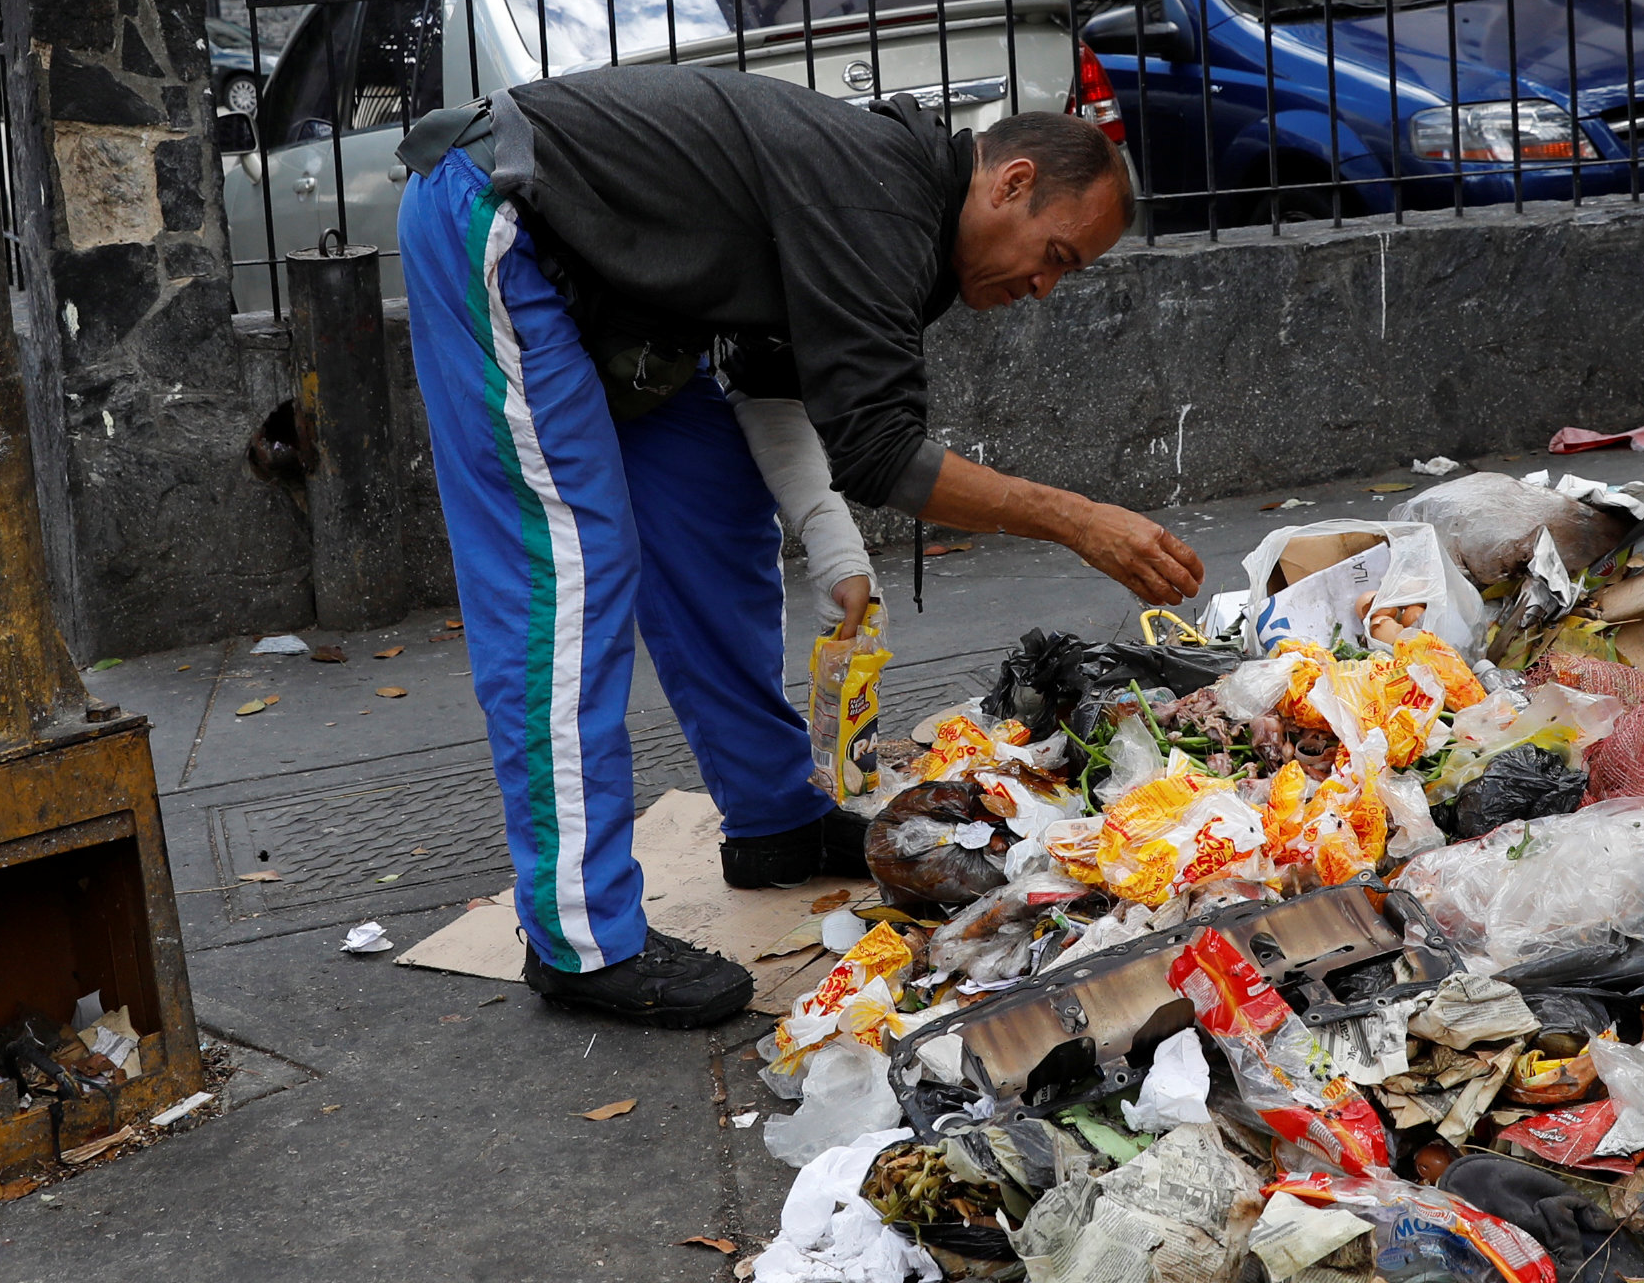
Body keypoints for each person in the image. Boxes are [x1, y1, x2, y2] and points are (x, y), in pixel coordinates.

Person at [396, 67, 1204, 1029]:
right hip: (501, 219)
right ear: (1011, 182)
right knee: (570, 573)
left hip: (616, 296)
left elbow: (777, 391)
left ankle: (773, 820)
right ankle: (579, 939)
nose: (1041, 288)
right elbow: (878, 451)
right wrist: (1076, 519)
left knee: (716, 526)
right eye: (1056, 256)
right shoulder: (879, 198)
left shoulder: (905, 224)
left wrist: (834, 552)